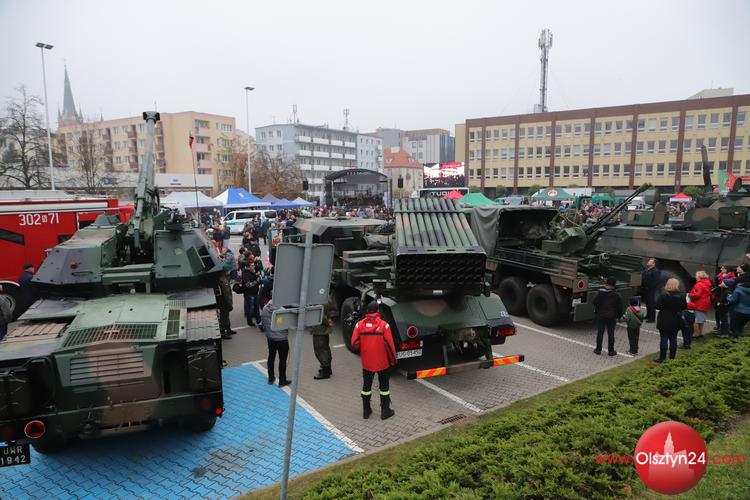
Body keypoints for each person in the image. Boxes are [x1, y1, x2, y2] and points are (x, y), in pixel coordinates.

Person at [351, 301, 396, 420]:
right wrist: (393, 360)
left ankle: (366, 411)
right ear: (377, 311)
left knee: (366, 385)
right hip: (382, 362)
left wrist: (365, 347)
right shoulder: (384, 326)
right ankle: (385, 411)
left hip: (367, 362)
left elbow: (354, 343)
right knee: (384, 387)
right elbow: (389, 346)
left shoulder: (359, 325)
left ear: (367, 311)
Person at [655, 278, 687, 363]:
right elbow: (684, 307)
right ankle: (672, 357)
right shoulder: (681, 296)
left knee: (664, 338)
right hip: (675, 318)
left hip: (664, 318)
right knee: (673, 338)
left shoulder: (664, 295)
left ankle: (662, 357)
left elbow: (657, 306)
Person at [261, 298, 290, 386]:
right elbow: (287, 325)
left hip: (270, 338)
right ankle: (282, 380)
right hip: (282, 339)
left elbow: (263, 323)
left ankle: (271, 378)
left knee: (271, 357)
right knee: (282, 360)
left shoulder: (265, 308)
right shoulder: (282, 310)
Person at [592, 276, 623, 356]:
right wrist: (619, 316)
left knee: (600, 332)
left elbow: (594, 302)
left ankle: (598, 349)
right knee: (611, 334)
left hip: (601, 315)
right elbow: (620, 307)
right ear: (614, 284)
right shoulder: (617, 294)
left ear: (607, 283)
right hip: (612, 317)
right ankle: (611, 351)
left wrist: (598, 308)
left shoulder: (600, 292)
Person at [310, 297, 337, 380]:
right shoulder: (326, 296)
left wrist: (327, 321)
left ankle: (325, 371)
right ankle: (328, 368)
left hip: (319, 329)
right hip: (323, 330)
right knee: (325, 348)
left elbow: (319, 315)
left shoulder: (318, 299)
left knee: (320, 350)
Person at [727, 264, 750, 342]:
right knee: (740, 327)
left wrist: (728, 297)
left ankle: (736, 340)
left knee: (734, 327)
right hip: (748, 312)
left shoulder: (739, 289)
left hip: (738, 310)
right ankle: (739, 341)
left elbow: (732, 300)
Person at [687, 270, 712, 340]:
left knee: (696, 321)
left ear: (699, 277)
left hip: (699, 304)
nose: (695, 277)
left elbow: (697, 294)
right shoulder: (707, 283)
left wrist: (689, 294)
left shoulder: (699, 284)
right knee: (701, 320)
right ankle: (700, 333)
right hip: (705, 303)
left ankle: (696, 334)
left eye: (696, 276)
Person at [712, 265, 736, 337]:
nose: (721, 269)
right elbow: (714, 288)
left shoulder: (728, 290)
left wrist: (721, 303)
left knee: (724, 318)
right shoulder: (720, 277)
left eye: (723, 268)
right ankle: (720, 329)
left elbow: (727, 299)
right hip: (719, 300)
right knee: (720, 315)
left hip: (723, 304)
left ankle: (724, 332)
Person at [217, 264, 236, 339]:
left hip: (224, 302)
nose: (229, 272)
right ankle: (223, 333)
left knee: (226, 316)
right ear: (225, 271)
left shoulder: (223, 278)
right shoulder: (223, 280)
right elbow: (226, 294)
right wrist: (229, 303)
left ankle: (228, 329)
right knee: (224, 318)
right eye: (228, 270)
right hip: (224, 302)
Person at [241, 261, 261, 327]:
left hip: (255, 293)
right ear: (248, 267)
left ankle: (259, 322)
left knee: (256, 308)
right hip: (249, 294)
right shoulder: (245, 273)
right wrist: (256, 281)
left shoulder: (253, 271)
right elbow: (248, 284)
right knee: (251, 309)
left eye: (253, 265)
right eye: (252, 265)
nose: (254, 266)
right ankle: (249, 321)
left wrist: (259, 279)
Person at [641, 258, 661, 322]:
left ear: (653, 264)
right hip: (645, 289)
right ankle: (648, 315)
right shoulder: (647, 269)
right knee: (647, 303)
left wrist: (650, 287)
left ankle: (652, 318)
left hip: (651, 290)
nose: (648, 262)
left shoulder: (656, 271)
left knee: (651, 303)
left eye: (650, 261)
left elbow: (657, 281)